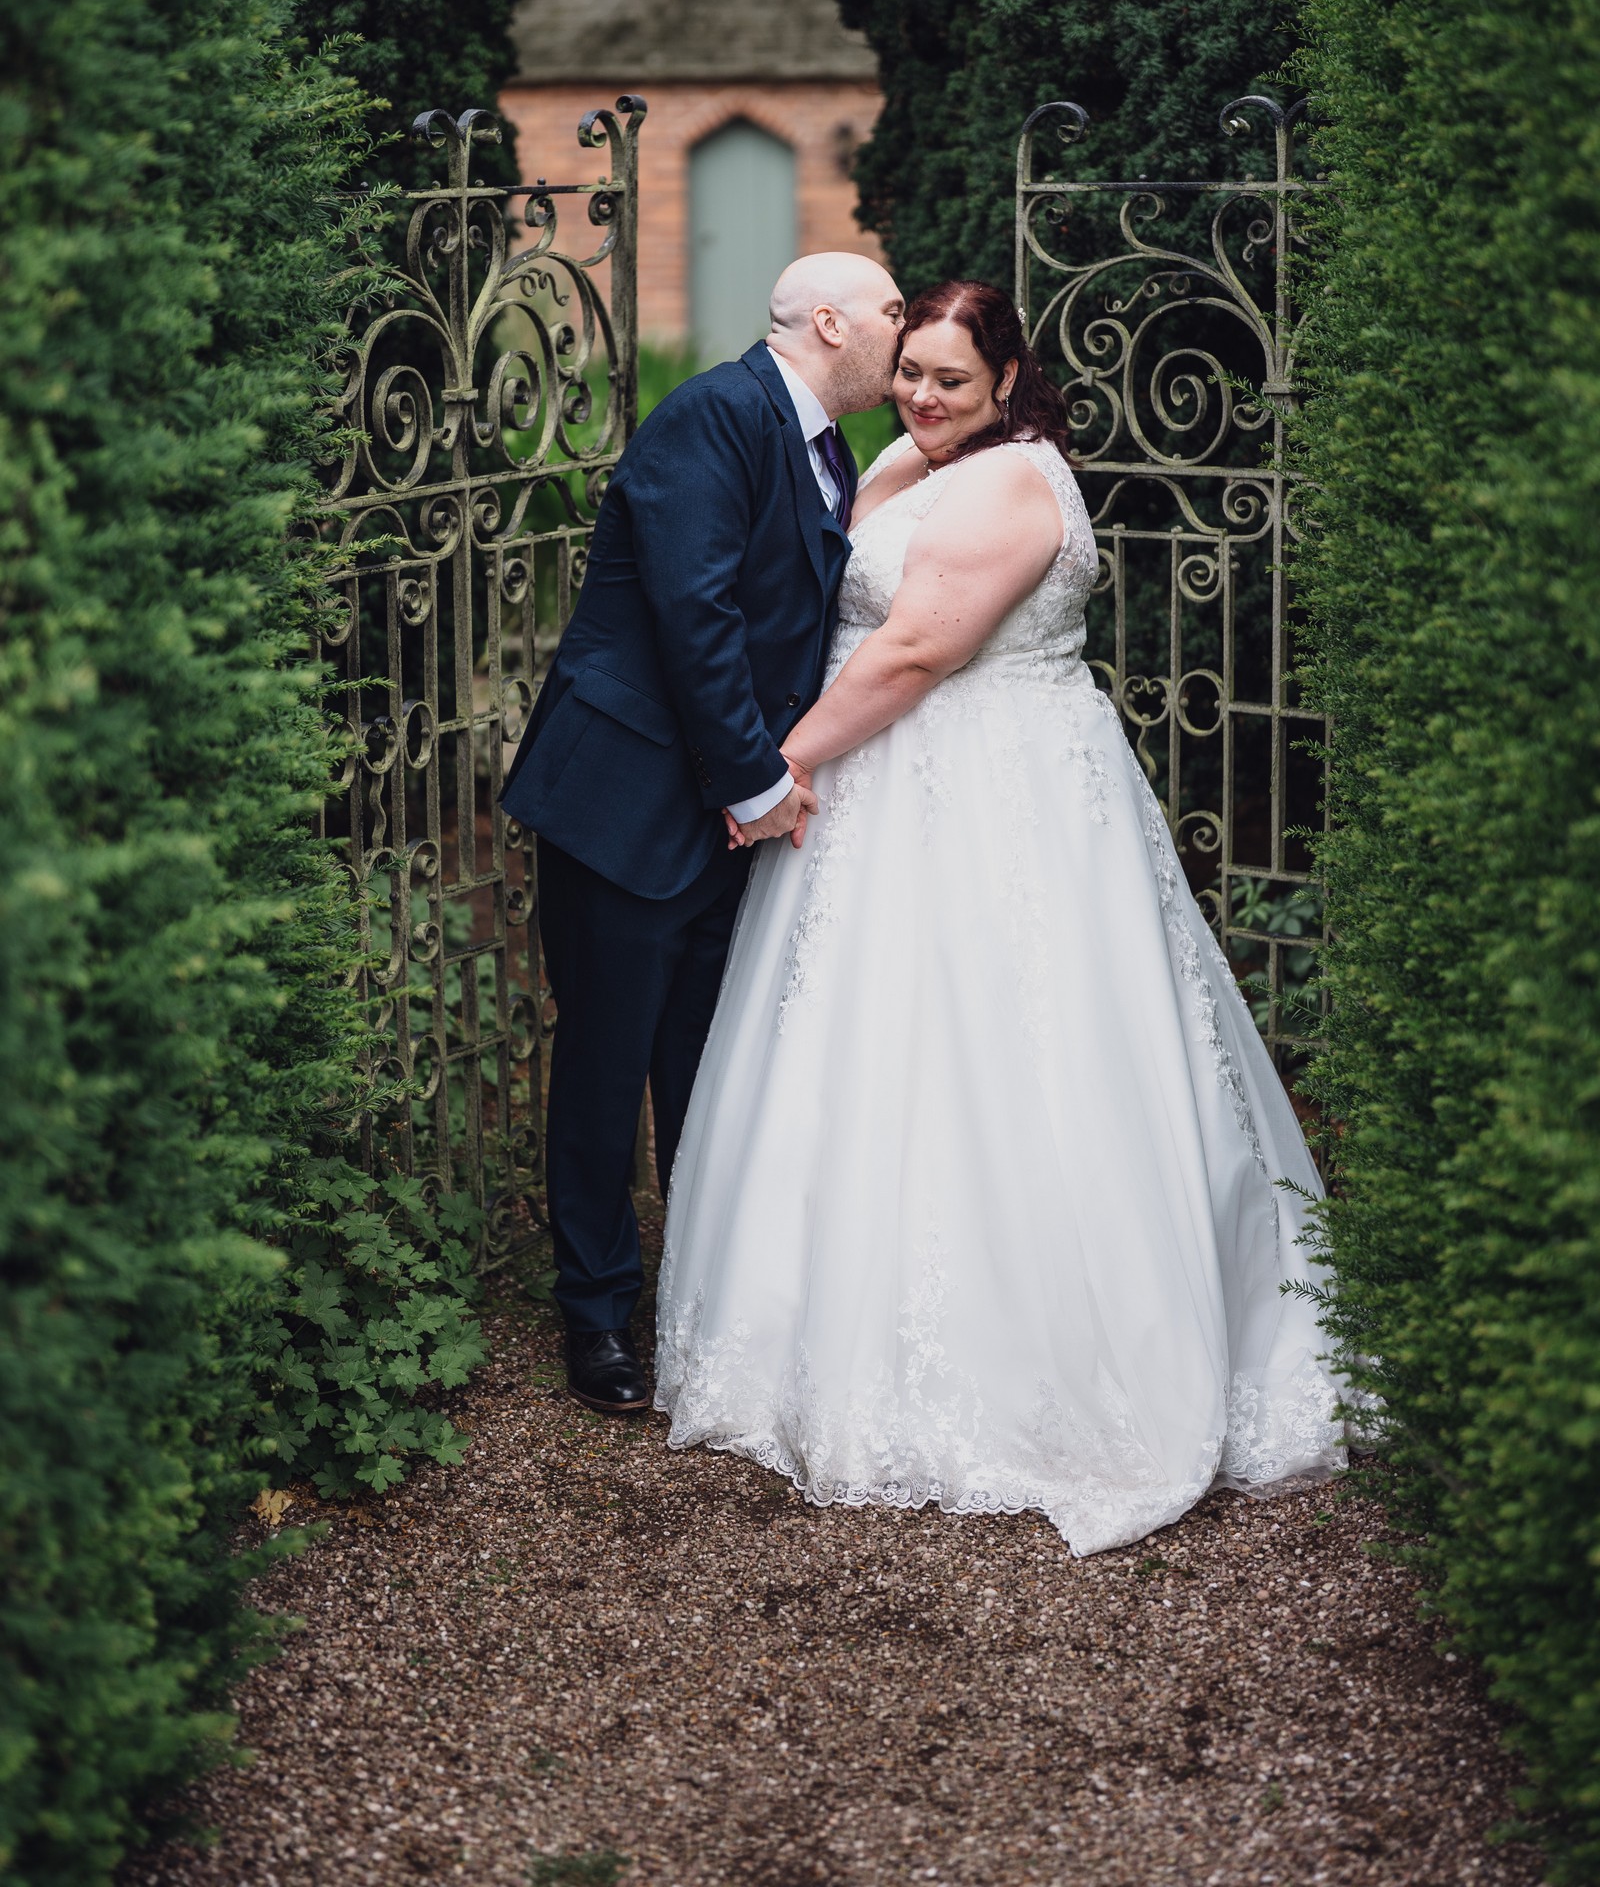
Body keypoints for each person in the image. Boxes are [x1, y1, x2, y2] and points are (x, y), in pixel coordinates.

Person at [655, 280, 1347, 1555]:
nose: (921, 396)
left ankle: (1051, 1356)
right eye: (910, 371)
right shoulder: (920, 462)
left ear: (1011, 378)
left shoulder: (1010, 483)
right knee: (874, 1053)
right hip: (893, 793)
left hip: (988, 793)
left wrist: (777, 773)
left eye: (951, 381)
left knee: (1011, 1042)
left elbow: (916, 650)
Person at [501, 251, 906, 1414]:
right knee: (603, 1062)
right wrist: (756, 781)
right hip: (624, 800)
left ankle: (701, 1293)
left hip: (724, 817)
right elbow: (695, 612)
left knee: (702, 1060)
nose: (900, 323)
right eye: (888, 309)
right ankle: (596, 1318)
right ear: (826, 321)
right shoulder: (713, 416)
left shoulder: (830, 447)